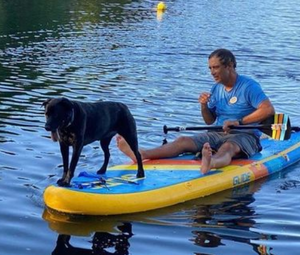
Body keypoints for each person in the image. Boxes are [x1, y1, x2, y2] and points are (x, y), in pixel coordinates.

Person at [117, 48, 275, 174]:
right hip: (217, 131)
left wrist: (239, 122)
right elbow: (209, 121)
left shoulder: (249, 86)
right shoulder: (216, 88)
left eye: (216, 67)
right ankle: (142, 154)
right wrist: (204, 106)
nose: (212, 72)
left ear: (229, 66)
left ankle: (211, 162)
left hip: (244, 135)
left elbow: (268, 109)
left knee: (228, 148)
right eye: (210, 68)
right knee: (182, 141)